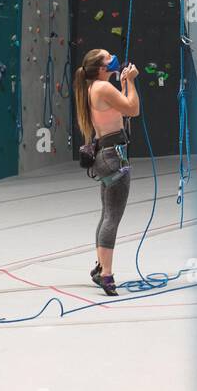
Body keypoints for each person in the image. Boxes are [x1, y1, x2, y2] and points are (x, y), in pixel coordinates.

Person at [73, 49, 140, 297]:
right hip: (113, 156)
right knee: (112, 216)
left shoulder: (96, 88)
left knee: (107, 215)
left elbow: (120, 109)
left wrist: (123, 84)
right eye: (107, 56)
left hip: (106, 154)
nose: (112, 56)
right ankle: (106, 273)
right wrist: (131, 82)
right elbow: (133, 110)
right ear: (102, 67)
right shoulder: (101, 87)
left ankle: (101, 266)